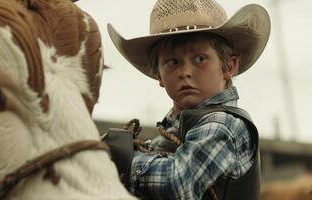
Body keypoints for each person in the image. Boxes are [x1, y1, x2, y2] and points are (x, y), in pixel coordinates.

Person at [106, 0, 271, 199]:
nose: (185, 72)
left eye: (200, 59)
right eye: (172, 62)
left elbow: (179, 183)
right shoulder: (169, 134)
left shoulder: (224, 125)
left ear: (228, 67)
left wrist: (122, 159)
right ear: (159, 75)